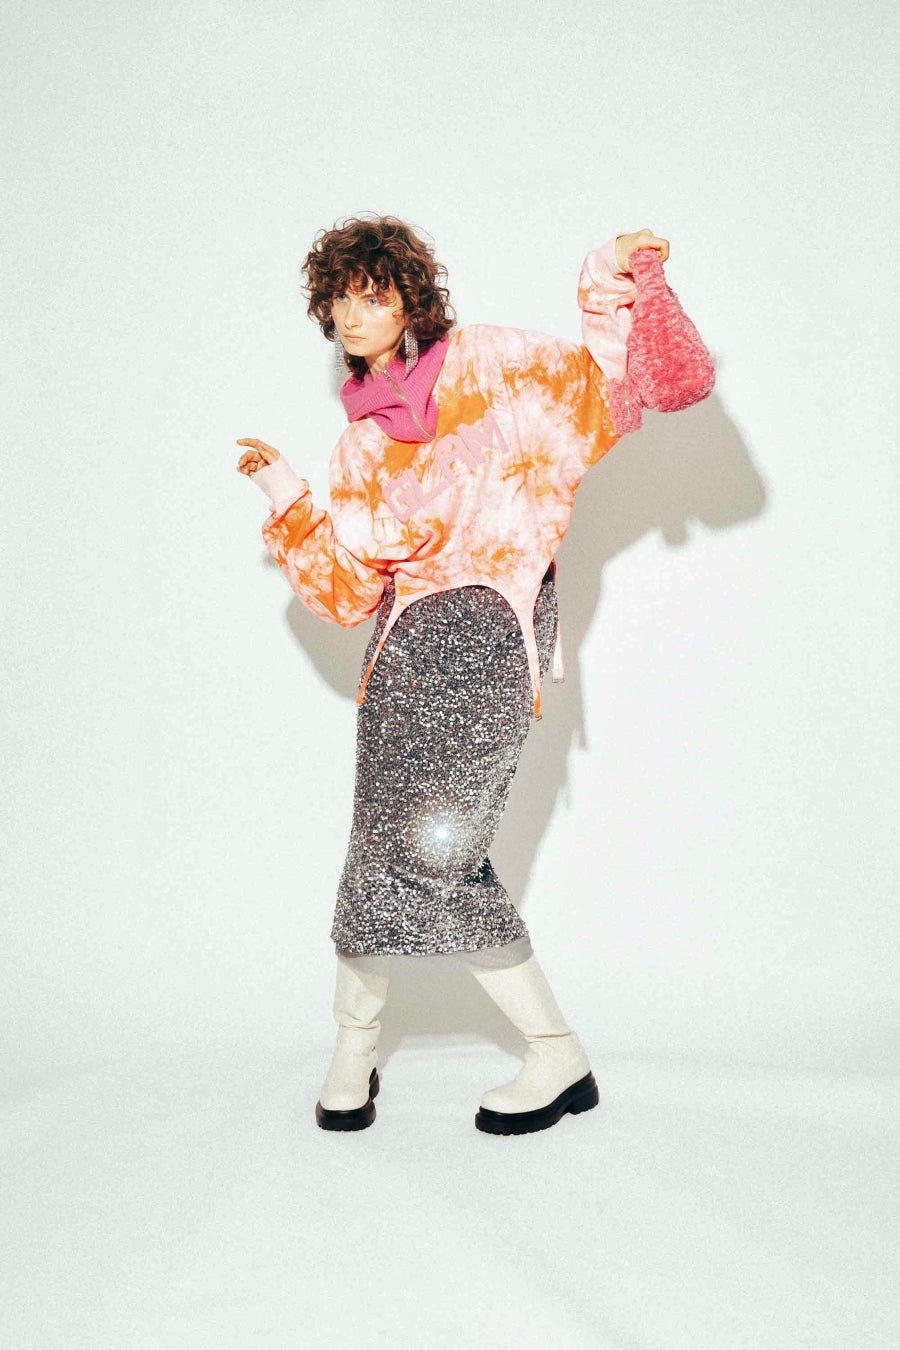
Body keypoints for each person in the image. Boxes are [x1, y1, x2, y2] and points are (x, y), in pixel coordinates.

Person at [236, 216, 670, 1136]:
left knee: (442, 855)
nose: (354, 315)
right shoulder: (359, 448)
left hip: (493, 642)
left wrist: (607, 274)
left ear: (410, 297)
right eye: (339, 300)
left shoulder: (494, 365)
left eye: (373, 294)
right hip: (401, 662)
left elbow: (601, 395)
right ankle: (355, 1047)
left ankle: (554, 1050)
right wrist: (287, 498)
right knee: (376, 855)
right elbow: (349, 594)